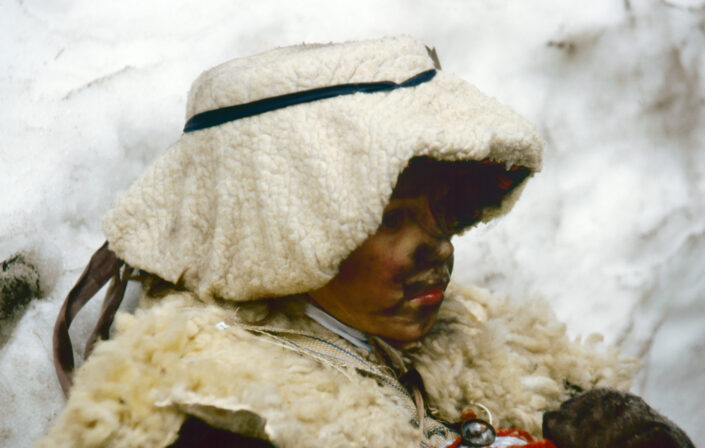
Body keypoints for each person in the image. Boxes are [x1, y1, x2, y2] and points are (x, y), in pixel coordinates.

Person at [39, 36, 689, 447]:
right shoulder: (216, 411)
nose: (435, 246)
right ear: (282, 228)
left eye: (441, 213)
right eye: (387, 217)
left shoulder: (473, 342)